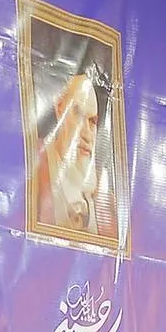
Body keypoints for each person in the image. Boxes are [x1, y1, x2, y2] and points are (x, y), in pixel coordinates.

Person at [31, 69, 114, 240]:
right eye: (78, 114)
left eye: (92, 122)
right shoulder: (29, 169)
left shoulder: (108, 204)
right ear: (59, 108)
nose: (87, 134)